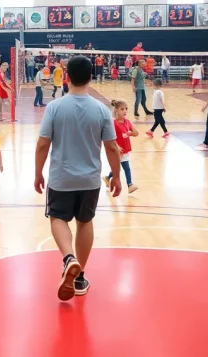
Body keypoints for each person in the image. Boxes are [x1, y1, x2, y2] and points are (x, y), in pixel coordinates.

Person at [34, 56, 122, 301]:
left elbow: (43, 144)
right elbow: (112, 147)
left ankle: (68, 258)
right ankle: (80, 275)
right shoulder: (102, 109)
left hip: (61, 179)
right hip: (90, 180)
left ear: (67, 78)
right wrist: (115, 176)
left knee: (57, 218)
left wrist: (37, 172)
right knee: (85, 222)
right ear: (91, 76)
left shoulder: (55, 107)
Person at [103, 100, 139, 194]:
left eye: (126, 109)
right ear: (116, 110)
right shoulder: (114, 123)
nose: (125, 111)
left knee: (118, 167)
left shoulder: (127, 122)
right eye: (122, 109)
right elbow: (111, 137)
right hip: (118, 150)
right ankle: (130, 185)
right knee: (125, 167)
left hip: (125, 149)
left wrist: (130, 133)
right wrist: (116, 146)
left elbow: (136, 133)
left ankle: (107, 177)